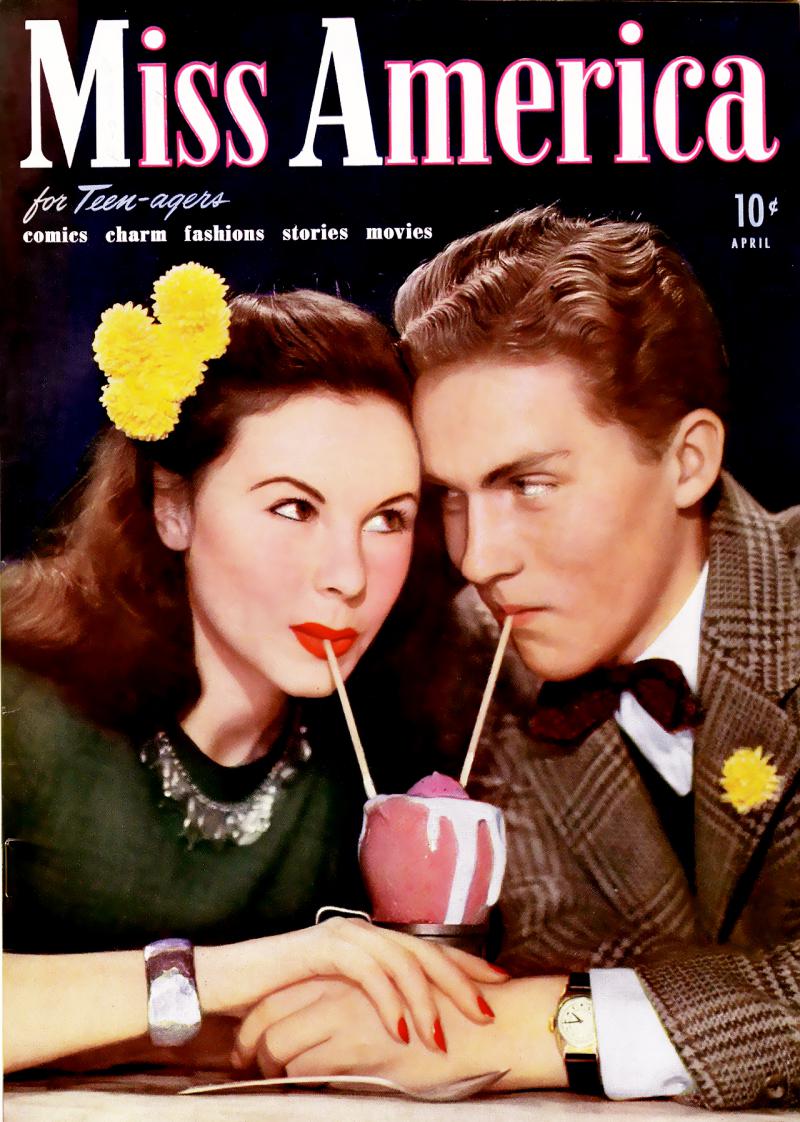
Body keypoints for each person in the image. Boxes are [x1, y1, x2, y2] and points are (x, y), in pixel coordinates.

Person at [232, 208, 800, 1110]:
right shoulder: (468, 655)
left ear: (687, 461)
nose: (477, 558)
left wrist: (531, 1027)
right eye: (450, 498)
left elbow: (518, 1004)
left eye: (528, 485)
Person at [1, 265, 505, 1074]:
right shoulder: (16, 694)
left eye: (388, 519)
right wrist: (251, 971)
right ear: (173, 506)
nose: (347, 575)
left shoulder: (402, 747)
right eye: (293, 507)